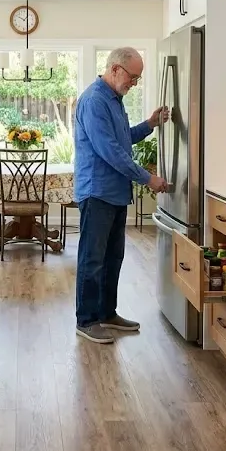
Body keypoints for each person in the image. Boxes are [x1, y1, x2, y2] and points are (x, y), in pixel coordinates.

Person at [72, 47, 169, 344]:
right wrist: (147, 178)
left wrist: (150, 125)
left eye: (138, 79)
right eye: (132, 77)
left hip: (114, 194)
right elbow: (110, 152)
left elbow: (123, 138)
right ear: (115, 69)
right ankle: (87, 320)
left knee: (113, 257)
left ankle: (107, 313)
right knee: (92, 259)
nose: (134, 83)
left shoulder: (115, 100)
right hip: (97, 192)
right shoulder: (94, 101)